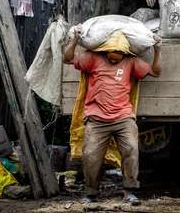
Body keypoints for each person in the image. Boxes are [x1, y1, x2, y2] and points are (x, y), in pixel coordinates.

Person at [63, 27, 162, 205]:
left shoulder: (131, 61)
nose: (113, 58)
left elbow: (155, 72)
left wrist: (158, 50)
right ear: (106, 50)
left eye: (117, 56)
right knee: (91, 155)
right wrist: (74, 40)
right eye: (110, 55)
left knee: (131, 149)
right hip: (96, 118)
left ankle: (129, 191)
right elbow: (68, 59)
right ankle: (91, 192)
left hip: (123, 117)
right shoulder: (93, 57)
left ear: (125, 53)